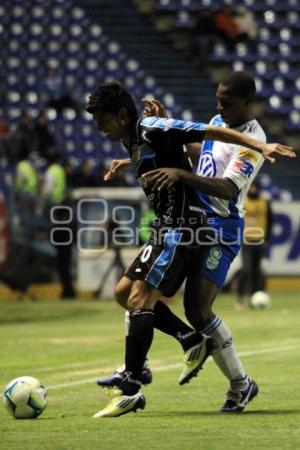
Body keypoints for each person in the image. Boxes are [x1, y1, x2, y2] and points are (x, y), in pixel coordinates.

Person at [95, 74, 295, 415]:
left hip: (221, 227)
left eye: (227, 101)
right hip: (191, 219)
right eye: (218, 99)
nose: (219, 107)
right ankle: (144, 363)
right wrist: (146, 149)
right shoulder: (219, 121)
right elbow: (196, 152)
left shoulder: (252, 138)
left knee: (197, 310)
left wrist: (180, 176)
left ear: (248, 103)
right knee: (136, 291)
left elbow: (227, 188)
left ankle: (241, 385)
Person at [42, 150, 76, 299]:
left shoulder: (51, 171)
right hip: (64, 215)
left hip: (56, 214)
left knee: (61, 260)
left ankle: (67, 291)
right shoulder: (61, 171)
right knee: (65, 259)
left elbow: (48, 191)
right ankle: (68, 290)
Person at [235, 179, 272, 309]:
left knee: (257, 271)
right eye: (251, 187)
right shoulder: (243, 201)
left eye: (255, 187)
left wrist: (268, 238)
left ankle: (254, 299)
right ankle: (239, 298)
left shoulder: (265, 202)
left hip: (260, 241)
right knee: (246, 269)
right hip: (246, 240)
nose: (253, 189)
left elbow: (270, 220)